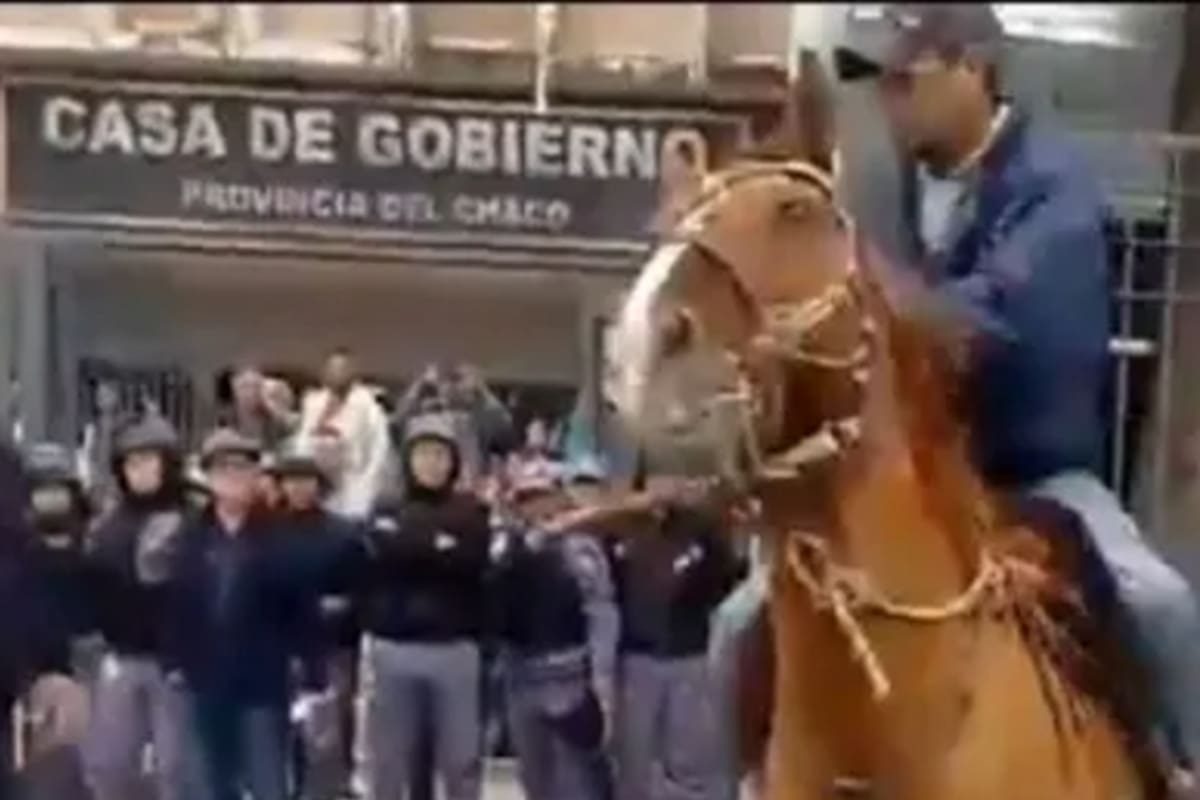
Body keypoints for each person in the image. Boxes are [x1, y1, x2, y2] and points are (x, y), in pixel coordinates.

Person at [834, 3, 1200, 790]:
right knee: (746, 616)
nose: (890, 102)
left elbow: (992, 318)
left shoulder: (1054, 188)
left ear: (975, 67)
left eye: (907, 79)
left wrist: (867, 290)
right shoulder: (875, 184)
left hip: (1033, 480)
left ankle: (1183, 764)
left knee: (1157, 601)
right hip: (910, 488)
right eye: (882, 85)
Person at [166, 428, 320, 800]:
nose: (233, 477)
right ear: (207, 477)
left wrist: (312, 669)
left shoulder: (280, 536)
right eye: (223, 469)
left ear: (256, 477)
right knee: (210, 781)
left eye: (242, 468)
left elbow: (302, 604)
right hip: (205, 676)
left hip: (262, 680)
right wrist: (174, 659)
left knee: (267, 779)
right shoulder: (189, 534)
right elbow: (174, 603)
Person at [357, 413, 491, 800]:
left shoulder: (471, 511)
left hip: (455, 650)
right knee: (390, 762)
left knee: (460, 761)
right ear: (408, 459)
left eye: (440, 454)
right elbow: (382, 554)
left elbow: (470, 561)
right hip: (394, 648)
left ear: (453, 461)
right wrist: (435, 545)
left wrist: (414, 545)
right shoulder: (385, 506)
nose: (431, 463)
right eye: (423, 453)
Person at [607, 468, 743, 800]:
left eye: (673, 478)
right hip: (636, 660)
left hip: (688, 658)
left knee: (689, 761)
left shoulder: (701, 531)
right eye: (657, 478)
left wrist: (708, 516)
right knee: (633, 763)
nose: (664, 488)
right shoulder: (623, 530)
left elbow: (727, 576)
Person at [86, 415, 196, 800]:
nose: (141, 470)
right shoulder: (110, 524)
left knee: (175, 768)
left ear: (168, 463)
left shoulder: (192, 516)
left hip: (177, 662)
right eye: (131, 462)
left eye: (149, 459)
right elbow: (95, 583)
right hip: (122, 654)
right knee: (110, 764)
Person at [492, 470, 618, 800]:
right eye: (526, 499)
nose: (535, 506)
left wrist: (601, 679)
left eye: (542, 495)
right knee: (535, 779)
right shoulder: (504, 546)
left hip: (568, 677)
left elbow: (601, 612)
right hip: (518, 677)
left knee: (578, 781)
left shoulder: (580, 549)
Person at [274, 444, 366, 800]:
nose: (299, 487)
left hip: (331, 650)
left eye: (306, 480)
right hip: (277, 648)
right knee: (278, 740)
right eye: (291, 480)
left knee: (326, 742)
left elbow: (362, 590)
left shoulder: (342, 533)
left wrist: (338, 607)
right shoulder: (264, 531)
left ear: (319, 485)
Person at [19, 442, 96, 800]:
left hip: (76, 661)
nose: (50, 503)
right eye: (42, 493)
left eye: (57, 492)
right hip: (30, 664)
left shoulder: (88, 544)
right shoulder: (18, 549)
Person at [296, 349, 393, 520]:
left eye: (343, 368)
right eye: (333, 368)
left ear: (353, 372)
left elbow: (380, 450)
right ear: (325, 372)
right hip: (317, 485)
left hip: (354, 485)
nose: (338, 373)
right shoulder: (313, 403)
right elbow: (302, 442)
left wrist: (367, 487)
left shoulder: (369, 406)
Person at [394, 364, 516, 491]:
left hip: (468, 490)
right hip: (426, 491)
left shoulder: (480, 420)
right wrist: (420, 385)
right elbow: (397, 425)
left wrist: (481, 390)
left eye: (456, 381)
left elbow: (506, 433)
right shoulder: (426, 418)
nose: (453, 388)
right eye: (447, 381)